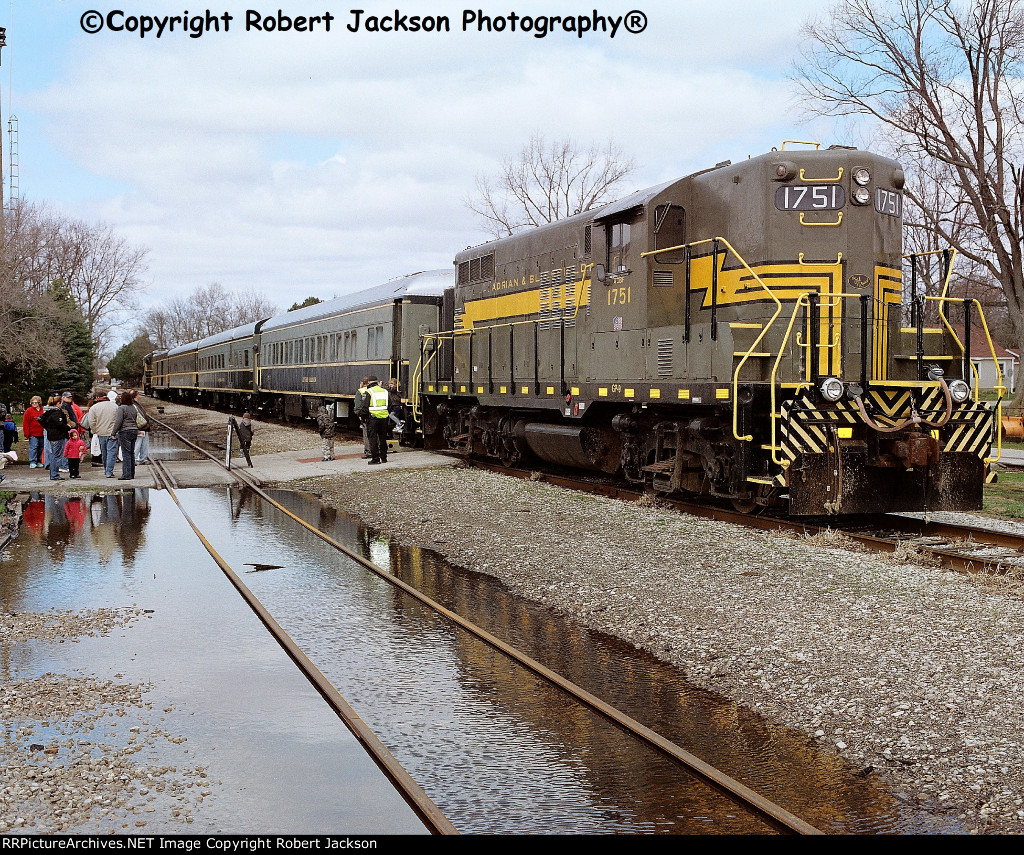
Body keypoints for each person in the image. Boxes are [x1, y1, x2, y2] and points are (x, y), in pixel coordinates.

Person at [81, 390, 119, 478]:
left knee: (104, 452)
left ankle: (106, 469)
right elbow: (118, 420)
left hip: (101, 433)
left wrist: (95, 431)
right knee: (111, 452)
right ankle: (109, 471)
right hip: (112, 433)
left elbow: (91, 422)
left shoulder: (94, 408)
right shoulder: (114, 406)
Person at [37, 396, 71, 481]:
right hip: (58, 436)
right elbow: (59, 424)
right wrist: (67, 427)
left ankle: (53, 473)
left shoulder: (48, 412)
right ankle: (54, 474)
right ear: (58, 403)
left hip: (51, 435)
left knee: (53, 455)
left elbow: (40, 420)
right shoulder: (57, 413)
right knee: (57, 456)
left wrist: (48, 428)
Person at [110, 391, 140, 481]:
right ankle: (131, 474)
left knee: (126, 453)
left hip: (125, 431)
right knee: (131, 453)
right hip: (134, 431)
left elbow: (118, 422)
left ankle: (126, 474)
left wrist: (113, 433)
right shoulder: (133, 408)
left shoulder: (121, 408)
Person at [361, 376, 390, 465]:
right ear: (377, 382)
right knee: (383, 438)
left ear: (369, 383)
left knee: (373, 439)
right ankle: (384, 457)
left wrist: (363, 417)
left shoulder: (369, 392)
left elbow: (365, 407)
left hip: (372, 418)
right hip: (384, 418)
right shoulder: (385, 391)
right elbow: (390, 405)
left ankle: (375, 459)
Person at [23, 396, 45, 468]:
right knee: (34, 447)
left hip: (42, 432)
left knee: (41, 447)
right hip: (33, 433)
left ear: (39, 403)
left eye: (35, 402)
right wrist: (26, 433)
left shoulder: (43, 410)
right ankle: (32, 461)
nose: (34, 404)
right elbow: (25, 423)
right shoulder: (28, 411)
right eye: (32, 402)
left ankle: (38, 460)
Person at [354, 377, 372, 459]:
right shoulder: (374, 391)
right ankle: (377, 450)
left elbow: (358, 406)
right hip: (376, 415)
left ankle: (368, 452)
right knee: (375, 434)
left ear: (362, 383)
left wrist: (359, 414)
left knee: (366, 434)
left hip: (365, 416)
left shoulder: (360, 391)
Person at [131, 390, 150, 464]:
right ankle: (135, 459)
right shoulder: (134, 405)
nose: (139, 396)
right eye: (138, 395)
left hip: (144, 427)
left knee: (144, 444)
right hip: (140, 427)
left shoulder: (136, 404)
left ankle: (143, 458)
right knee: (138, 443)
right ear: (136, 396)